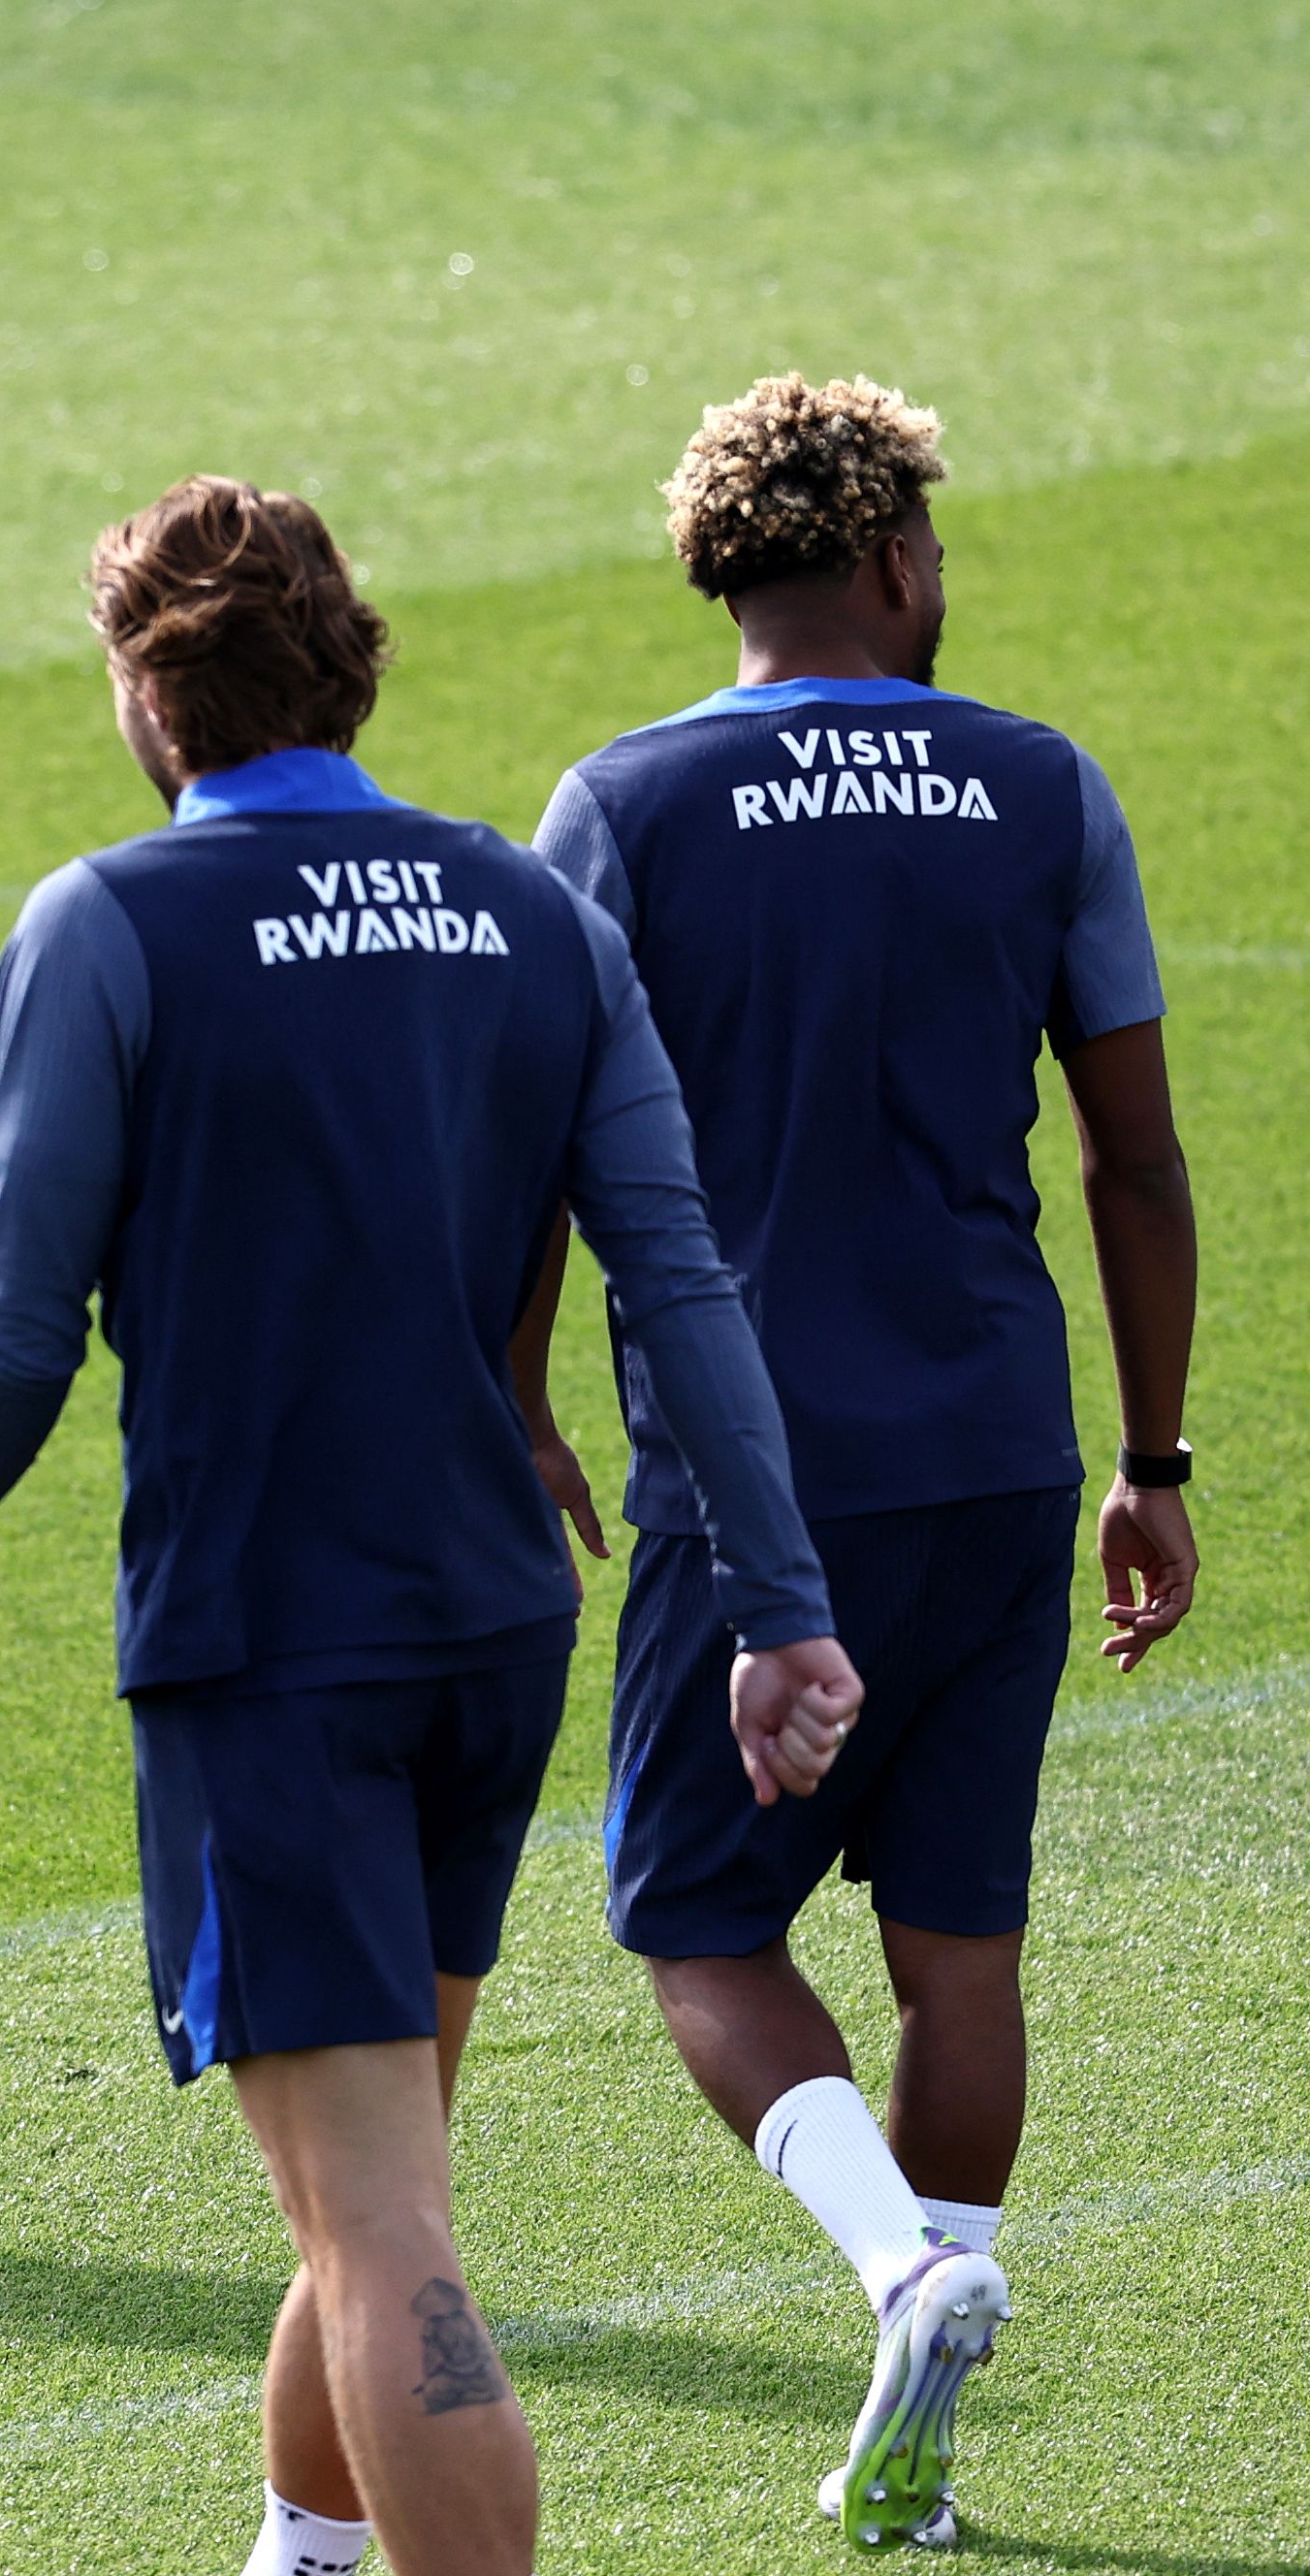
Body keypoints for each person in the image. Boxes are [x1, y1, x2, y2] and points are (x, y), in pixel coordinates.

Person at [0, 478, 860, 2576]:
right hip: (489, 1625)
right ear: (351, 661)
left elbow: (19, 1312)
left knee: (378, 2221)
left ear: (149, 692)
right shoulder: (533, 917)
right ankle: (303, 2551)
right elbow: (678, 1279)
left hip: (269, 1645)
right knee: (375, 2184)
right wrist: (780, 1605)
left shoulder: (110, 921)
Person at [516, 374, 1198, 2551]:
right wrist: (1153, 1455)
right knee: (957, 1950)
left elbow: (528, 1156)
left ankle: (900, 2266)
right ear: (897, 555)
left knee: (698, 1926)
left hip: (752, 1485)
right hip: (998, 1450)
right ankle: (929, 2419)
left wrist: (515, 1396)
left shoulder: (619, 804)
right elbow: (1133, 1157)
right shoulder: (1039, 782)